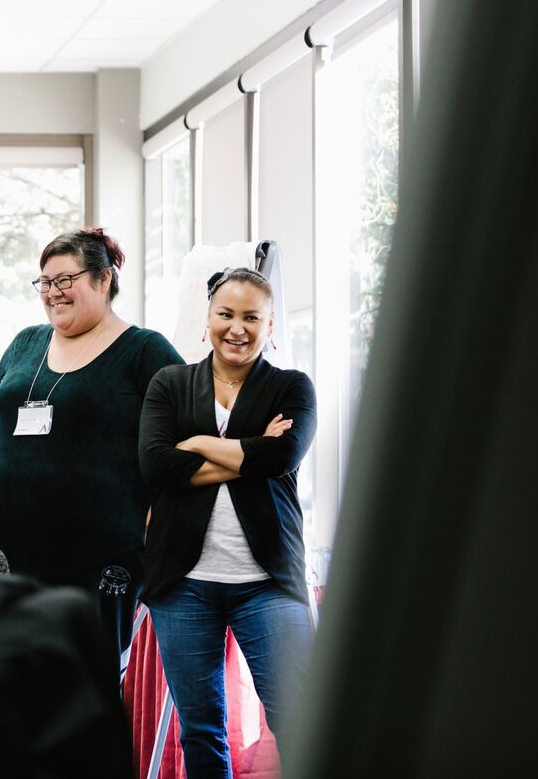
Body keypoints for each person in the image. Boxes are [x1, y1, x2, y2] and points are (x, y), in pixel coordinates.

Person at [137, 267, 316, 779]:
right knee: (201, 727)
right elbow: (153, 464)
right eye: (226, 314)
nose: (237, 328)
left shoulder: (290, 387)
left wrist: (192, 445)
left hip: (267, 582)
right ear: (208, 318)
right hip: (183, 583)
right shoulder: (171, 384)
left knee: (296, 721)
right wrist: (248, 451)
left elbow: (282, 457)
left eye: (251, 317)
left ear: (270, 324)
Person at [0, 228, 183, 663]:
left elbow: (179, 445)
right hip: (3, 550)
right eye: (45, 282)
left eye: (65, 280)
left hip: (95, 557)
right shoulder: (26, 343)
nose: (52, 293)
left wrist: (152, 523)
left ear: (104, 279)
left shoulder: (144, 351)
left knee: (81, 687)